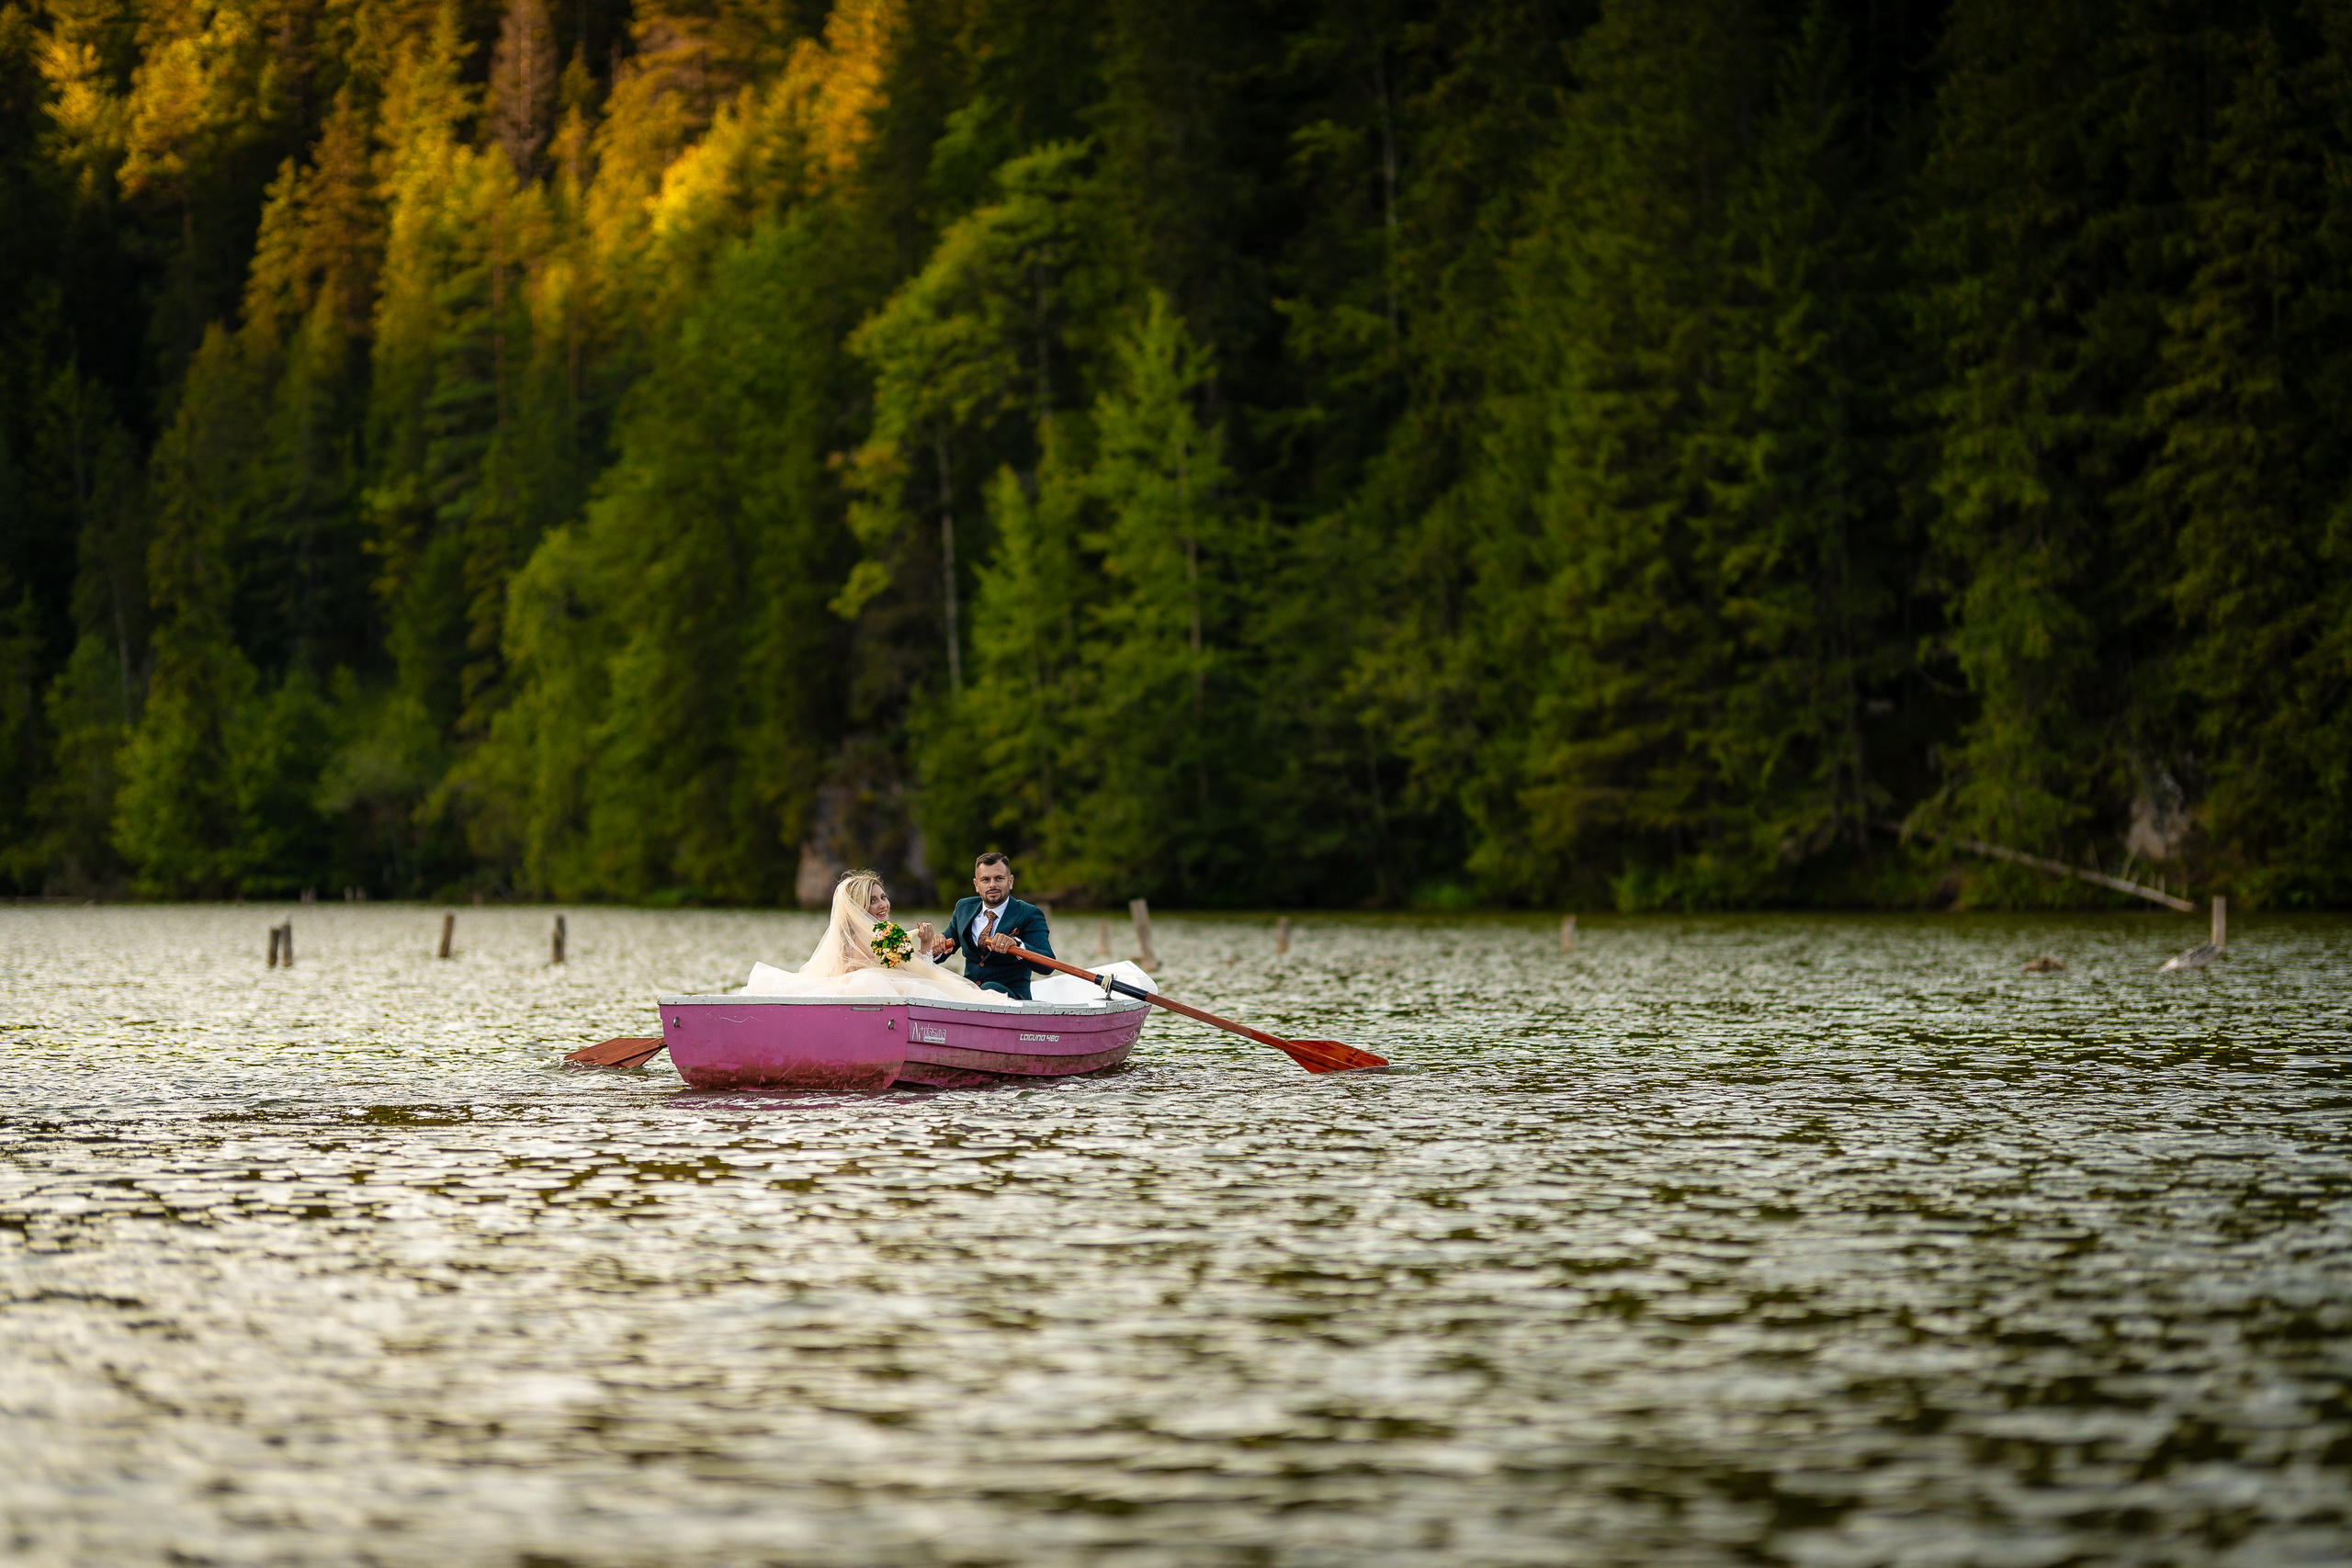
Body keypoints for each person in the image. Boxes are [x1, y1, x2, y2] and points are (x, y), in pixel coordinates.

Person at [741, 870, 1016, 1004]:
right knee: (916, 988)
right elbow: (914, 970)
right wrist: (921, 949)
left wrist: (923, 945)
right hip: (869, 987)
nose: (883, 905)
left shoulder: (885, 933)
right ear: (861, 906)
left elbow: (913, 968)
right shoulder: (862, 936)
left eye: (883, 897)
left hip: (885, 983)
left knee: (939, 991)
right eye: (873, 901)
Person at [933, 852, 1057, 999]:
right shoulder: (963, 908)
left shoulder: (1029, 913)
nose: (992, 885)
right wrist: (932, 947)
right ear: (976, 885)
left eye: (999, 878)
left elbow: (1048, 965)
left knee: (988, 989)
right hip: (969, 999)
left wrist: (1017, 946)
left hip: (1012, 1001)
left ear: (1010, 881)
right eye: (985, 879)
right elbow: (943, 949)